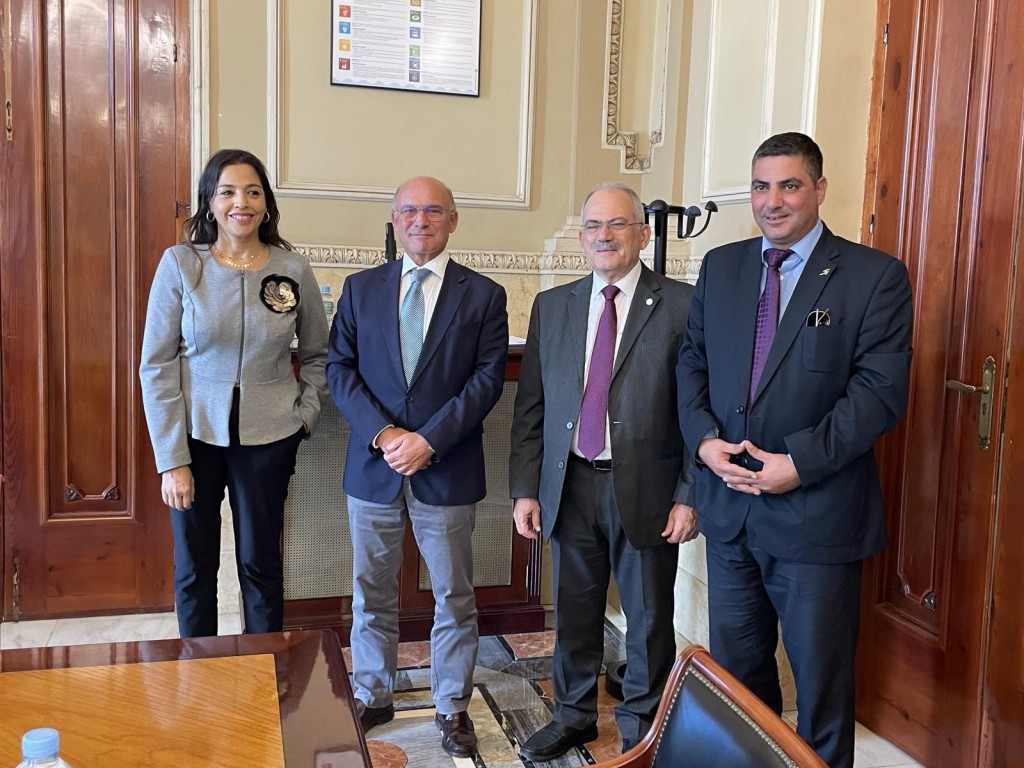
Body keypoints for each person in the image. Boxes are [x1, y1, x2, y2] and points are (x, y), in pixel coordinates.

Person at [676, 132, 913, 768]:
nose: (772, 201)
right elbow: (692, 363)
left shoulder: (873, 277)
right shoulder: (721, 267)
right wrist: (703, 441)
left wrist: (799, 464)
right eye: (761, 186)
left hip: (817, 516)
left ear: (819, 189)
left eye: (789, 185)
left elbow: (878, 393)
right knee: (739, 683)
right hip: (730, 513)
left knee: (821, 687)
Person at [509, 181, 697, 760]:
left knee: (648, 618)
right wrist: (526, 489)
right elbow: (532, 406)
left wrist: (690, 493)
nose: (604, 236)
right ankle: (573, 716)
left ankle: (642, 729)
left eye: (617, 224)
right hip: (570, 483)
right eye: (593, 226)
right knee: (574, 612)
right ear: (582, 238)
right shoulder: (554, 306)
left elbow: (700, 410)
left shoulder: (684, 305)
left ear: (642, 232)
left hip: (648, 488)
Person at [326, 176, 508, 758]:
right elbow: (339, 369)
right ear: (394, 219)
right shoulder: (360, 289)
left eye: (432, 211)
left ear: (453, 220)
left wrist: (429, 440)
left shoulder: (484, 295)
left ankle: (451, 704)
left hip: (446, 468)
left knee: (453, 594)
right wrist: (385, 435)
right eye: (408, 211)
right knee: (370, 591)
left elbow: (486, 381)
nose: (420, 220)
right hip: (373, 467)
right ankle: (372, 692)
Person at [140, 148, 328, 638]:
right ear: (210, 202)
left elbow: (318, 355)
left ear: (266, 204)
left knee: (260, 565)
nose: (240, 202)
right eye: (227, 192)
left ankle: (262, 669)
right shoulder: (181, 264)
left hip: (270, 437)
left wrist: (304, 416)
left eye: (252, 192)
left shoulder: (293, 268)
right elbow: (156, 364)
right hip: (194, 437)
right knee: (194, 567)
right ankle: (199, 672)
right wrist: (171, 460)